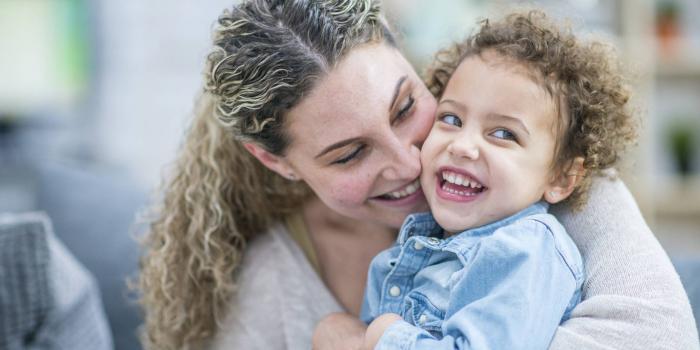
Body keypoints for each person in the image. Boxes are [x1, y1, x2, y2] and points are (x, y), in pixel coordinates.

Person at [137, 1, 699, 349]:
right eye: (348, 154)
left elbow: (662, 337)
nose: (412, 163)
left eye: (406, 107)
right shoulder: (272, 285)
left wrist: (363, 342)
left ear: (403, 53)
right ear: (277, 161)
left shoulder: (542, 155)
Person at [359, 10, 635, 349]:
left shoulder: (527, 250)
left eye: (503, 133)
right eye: (451, 118)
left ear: (562, 177)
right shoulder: (414, 242)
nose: (462, 146)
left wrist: (386, 336)